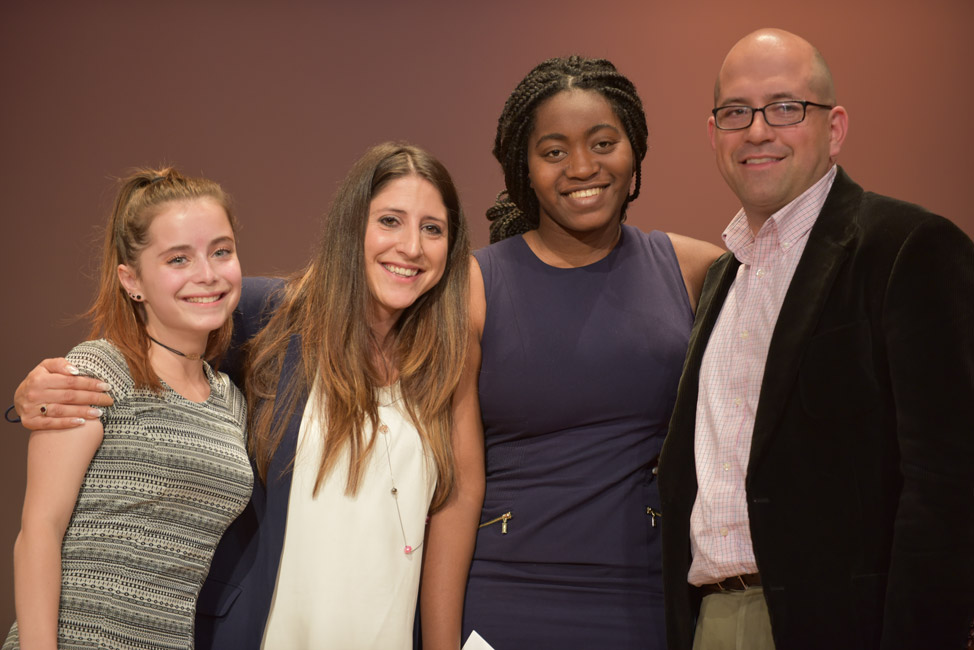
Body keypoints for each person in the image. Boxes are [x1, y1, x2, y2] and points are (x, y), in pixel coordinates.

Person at [12, 143, 485, 649]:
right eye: (390, 220)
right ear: (352, 228)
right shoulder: (271, 317)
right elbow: (149, 345)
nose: (411, 246)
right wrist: (28, 399)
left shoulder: (446, 356)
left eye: (432, 228)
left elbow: (458, 498)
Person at [658, 28, 974, 650]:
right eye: (735, 112)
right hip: (711, 623)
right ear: (713, 134)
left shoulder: (909, 248)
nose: (757, 130)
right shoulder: (723, 279)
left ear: (834, 129)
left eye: (784, 108)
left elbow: (950, 482)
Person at [461, 56, 722, 649]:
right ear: (523, 169)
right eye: (553, 151)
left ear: (634, 155)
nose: (582, 167)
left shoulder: (693, 269)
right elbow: (453, 488)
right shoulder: (474, 285)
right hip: (504, 595)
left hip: (649, 599)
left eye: (603, 142)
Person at [3, 168, 253, 649]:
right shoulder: (98, 369)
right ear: (131, 279)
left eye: (221, 251)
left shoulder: (229, 400)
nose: (207, 273)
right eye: (178, 258)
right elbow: (39, 531)